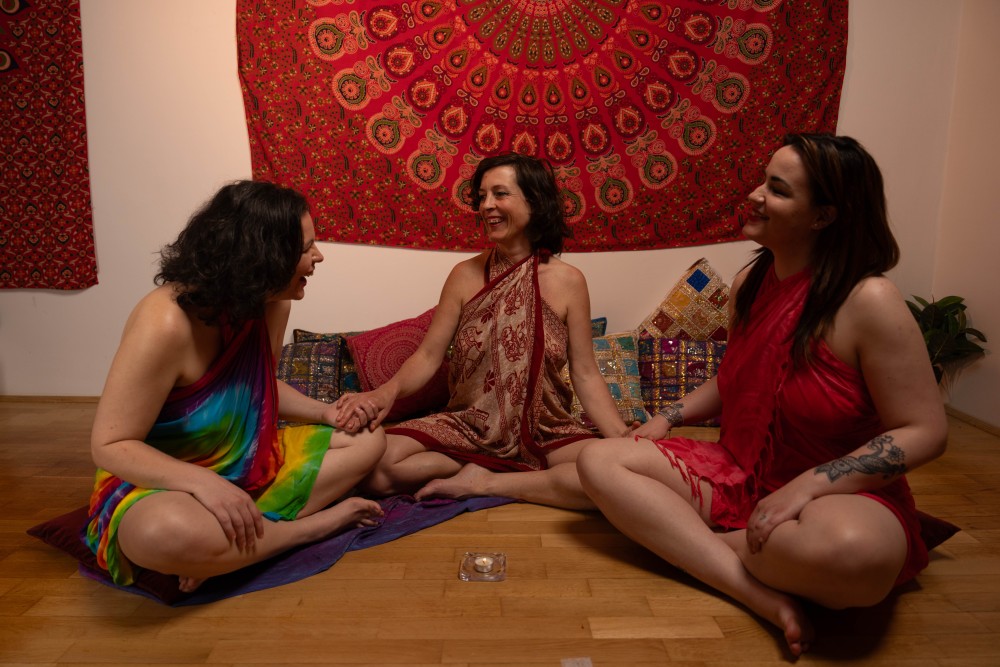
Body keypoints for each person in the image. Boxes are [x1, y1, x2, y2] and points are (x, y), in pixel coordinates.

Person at [576, 134, 948, 656]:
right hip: (741, 471)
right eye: (762, 181)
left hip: (841, 496)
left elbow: (926, 431)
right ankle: (749, 588)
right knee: (598, 460)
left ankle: (684, 544)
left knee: (852, 556)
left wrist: (808, 487)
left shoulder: (870, 299)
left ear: (823, 216)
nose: (754, 195)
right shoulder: (752, 280)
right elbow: (736, 376)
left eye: (777, 189)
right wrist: (668, 416)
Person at [86, 180, 386, 593]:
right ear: (262, 257)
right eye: (305, 248)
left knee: (368, 438)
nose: (318, 256)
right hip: (163, 481)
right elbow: (111, 444)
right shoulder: (164, 324)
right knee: (159, 534)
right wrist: (202, 483)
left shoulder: (272, 303)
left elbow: (260, 387)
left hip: (249, 462)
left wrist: (325, 411)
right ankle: (309, 529)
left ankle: (229, 546)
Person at [334, 153, 635, 509]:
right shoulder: (464, 275)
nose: (486, 205)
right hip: (469, 425)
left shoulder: (569, 281)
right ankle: (493, 467)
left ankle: (488, 480)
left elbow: (585, 373)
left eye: (500, 194)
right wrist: (385, 393)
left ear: (535, 201)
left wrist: (620, 436)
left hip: (545, 430)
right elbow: (428, 356)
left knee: (618, 475)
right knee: (377, 468)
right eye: (481, 196)